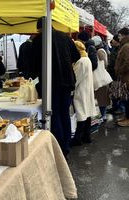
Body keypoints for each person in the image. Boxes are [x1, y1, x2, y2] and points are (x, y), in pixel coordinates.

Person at [32, 18, 80, 158]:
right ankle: (66, 144)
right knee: (64, 112)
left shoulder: (39, 40)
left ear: (40, 28)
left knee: (54, 113)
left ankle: (59, 147)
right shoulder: (65, 37)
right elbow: (76, 55)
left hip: (51, 82)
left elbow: (33, 64)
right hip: (67, 81)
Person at [70, 41, 96, 146]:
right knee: (87, 113)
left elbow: (75, 79)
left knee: (81, 114)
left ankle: (77, 138)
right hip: (86, 89)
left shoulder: (80, 61)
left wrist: (71, 89)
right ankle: (87, 136)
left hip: (81, 90)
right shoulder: (87, 59)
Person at [115, 27, 129, 127]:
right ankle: (127, 117)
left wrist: (120, 71)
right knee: (125, 97)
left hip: (127, 76)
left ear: (123, 35)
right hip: (126, 75)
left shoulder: (127, 46)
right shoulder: (126, 45)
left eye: (119, 36)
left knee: (127, 98)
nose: (118, 38)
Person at [92, 35, 110, 122]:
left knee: (102, 98)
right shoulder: (102, 50)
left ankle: (103, 116)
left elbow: (104, 64)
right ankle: (103, 115)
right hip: (102, 78)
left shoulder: (99, 51)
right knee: (102, 97)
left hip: (101, 78)